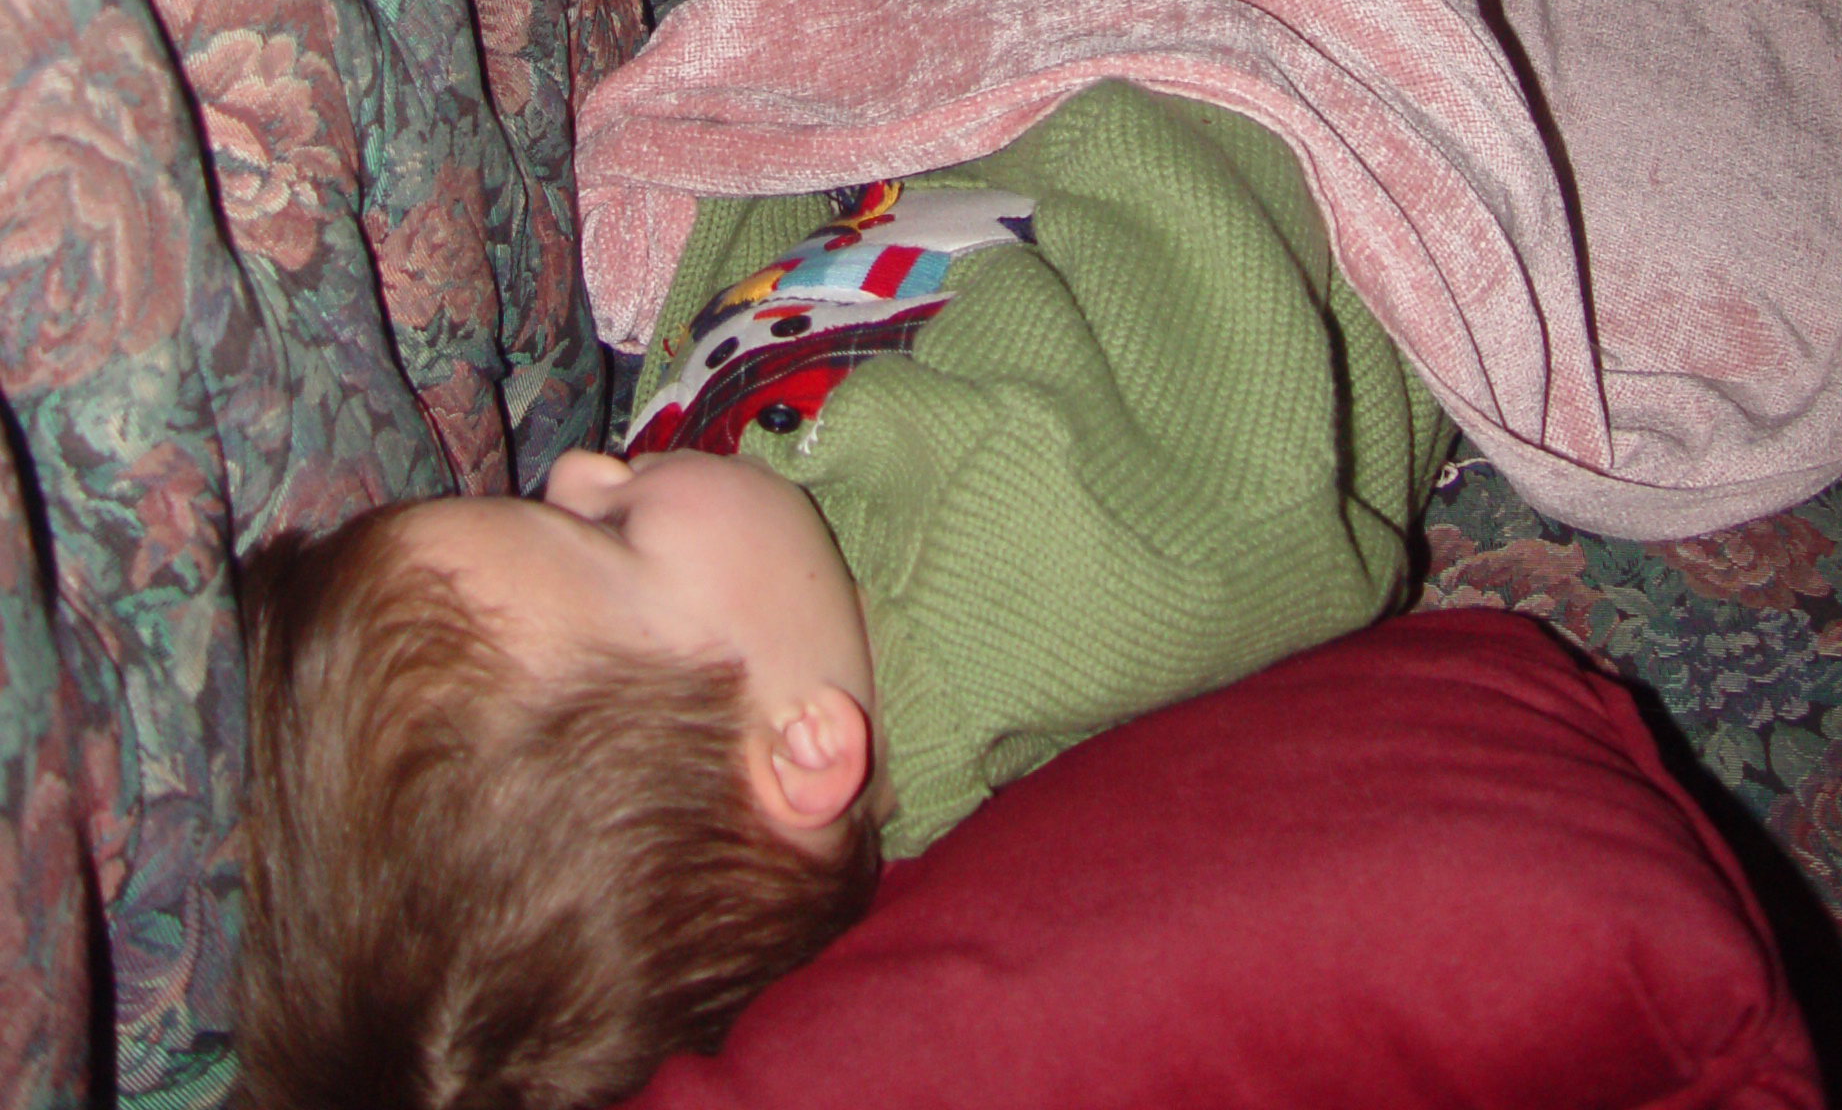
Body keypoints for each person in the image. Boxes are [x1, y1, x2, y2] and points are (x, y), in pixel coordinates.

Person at [237, 81, 1447, 1110]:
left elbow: (751, 303)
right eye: (599, 533)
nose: (582, 466)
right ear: (802, 744)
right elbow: (1260, 467)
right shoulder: (1030, 572)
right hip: (1218, 166)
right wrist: (1057, 81)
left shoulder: (758, 582)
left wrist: (780, 107)